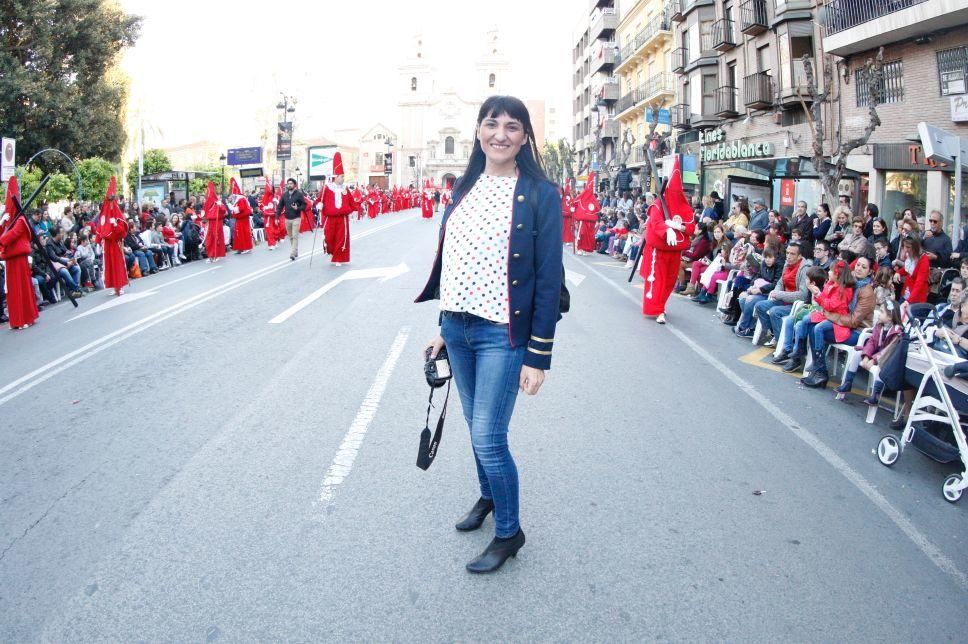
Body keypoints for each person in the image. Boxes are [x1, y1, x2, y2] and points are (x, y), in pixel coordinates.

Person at [416, 95, 562, 574]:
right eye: (491, 123)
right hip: (458, 329)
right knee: (474, 429)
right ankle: (487, 497)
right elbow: (454, 261)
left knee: (489, 436)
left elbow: (547, 277)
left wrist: (538, 355)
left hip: (503, 332)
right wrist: (442, 326)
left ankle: (509, 531)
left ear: (525, 137)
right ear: (478, 129)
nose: (500, 133)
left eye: (512, 126)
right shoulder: (463, 186)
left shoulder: (540, 193)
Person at [639, 157, 696, 324]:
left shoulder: (685, 207)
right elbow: (655, 223)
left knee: (670, 281)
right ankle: (658, 310)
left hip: (676, 251)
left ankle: (661, 305)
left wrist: (680, 227)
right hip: (659, 251)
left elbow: (691, 227)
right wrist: (666, 230)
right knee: (658, 280)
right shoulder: (658, 204)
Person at [0, 177, 40, 329]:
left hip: (19, 259)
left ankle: (25, 317)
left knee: (21, 289)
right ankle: (16, 319)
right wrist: (1, 222)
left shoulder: (21, 220)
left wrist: (3, 234)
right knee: (12, 291)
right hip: (10, 260)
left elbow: (11, 236)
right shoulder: (9, 219)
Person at [319, 152, 355, 266]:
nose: (343, 178)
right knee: (329, 238)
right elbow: (320, 200)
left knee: (341, 238)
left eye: (343, 176)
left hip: (342, 218)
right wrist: (319, 204)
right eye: (342, 176)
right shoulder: (327, 188)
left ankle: (338, 258)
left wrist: (353, 210)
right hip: (330, 218)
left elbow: (351, 201)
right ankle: (331, 251)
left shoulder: (345, 188)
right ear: (336, 177)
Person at [98, 177, 129, 296]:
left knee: (117, 264)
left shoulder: (117, 213)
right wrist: (99, 238)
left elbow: (122, 230)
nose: (109, 203)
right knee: (109, 266)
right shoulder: (104, 213)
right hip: (107, 243)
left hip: (115, 243)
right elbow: (100, 227)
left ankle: (119, 285)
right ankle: (113, 285)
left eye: (111, 200)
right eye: (108, 200)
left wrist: (115, 225)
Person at [892, 235, 930, 303]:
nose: (905, 250)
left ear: (916, 247)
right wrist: (898, 272)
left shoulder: (924, 260)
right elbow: (907, 269)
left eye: (908, 247)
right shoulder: (911, 255)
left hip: (917, 298)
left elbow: (919, 283)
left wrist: (908, 301)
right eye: (904, 246)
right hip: (905, 293)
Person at [278, 177, 306, 260]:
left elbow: (304, 205)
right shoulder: (284, 195)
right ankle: (295, 251)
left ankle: (293, 253)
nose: (289, 185)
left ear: (294, 185)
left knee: (295, 236)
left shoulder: (299, 194)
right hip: (287, 218)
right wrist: (277, 216)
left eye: (291, 183)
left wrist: (298, 208)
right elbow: (280, 206)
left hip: (296, 218)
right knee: (290, 236)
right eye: (288, 183)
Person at [572, 177, 600, 255]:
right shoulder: (582, 196)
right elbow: (575, 202)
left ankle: (585, 249)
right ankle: (580, 248)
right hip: (582, 221)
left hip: (590, 222)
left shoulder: (593, 198)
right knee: (582, 234)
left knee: (589, 236)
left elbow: (597, 208)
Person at [201, 182, 226, 263]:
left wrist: (220, 205)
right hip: (209, 223)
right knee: (209, 240)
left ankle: (217, 254)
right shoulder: (206, 203)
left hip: (216, 222)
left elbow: (224, 211)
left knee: (216, 239)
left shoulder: (217, 202)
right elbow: (203, 214)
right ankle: (211, 255)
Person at [228, 178, 253, 254]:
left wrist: (233, 208)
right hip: (239, 220)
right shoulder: (238, 199)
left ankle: (246, 247)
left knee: (243, 234)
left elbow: (241, 208)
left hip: (243, 220)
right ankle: (240, 248)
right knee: (238, 234)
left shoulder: (241, 199)